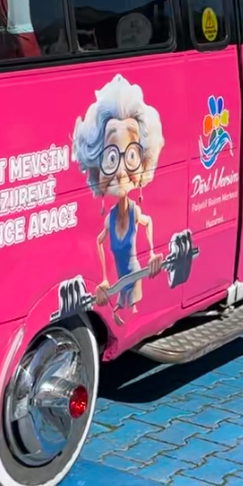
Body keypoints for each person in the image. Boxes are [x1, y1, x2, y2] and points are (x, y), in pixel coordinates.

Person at [72, 75, 164, 324]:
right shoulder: (110, 220)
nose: (122, 172)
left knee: (130, 314)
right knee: (119, 312)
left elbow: (148, 222)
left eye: (131, 156)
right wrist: (103, 278)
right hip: (119, 280)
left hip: (133, 275)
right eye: (111, 158)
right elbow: (99, 241)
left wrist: (153, 253)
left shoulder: (135, 211)